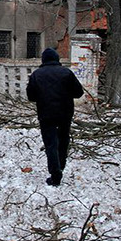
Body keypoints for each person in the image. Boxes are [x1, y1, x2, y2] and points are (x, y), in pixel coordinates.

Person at [26, 48, 84, 187]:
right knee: (63, 141)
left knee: (51, 143)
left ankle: (55, 172)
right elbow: (78, 92)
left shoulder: (36, 75)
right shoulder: (66, 73)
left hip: (46, 114)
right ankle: (61, 166)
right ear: (57, 59)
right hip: (65, 113)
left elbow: (31, 96)